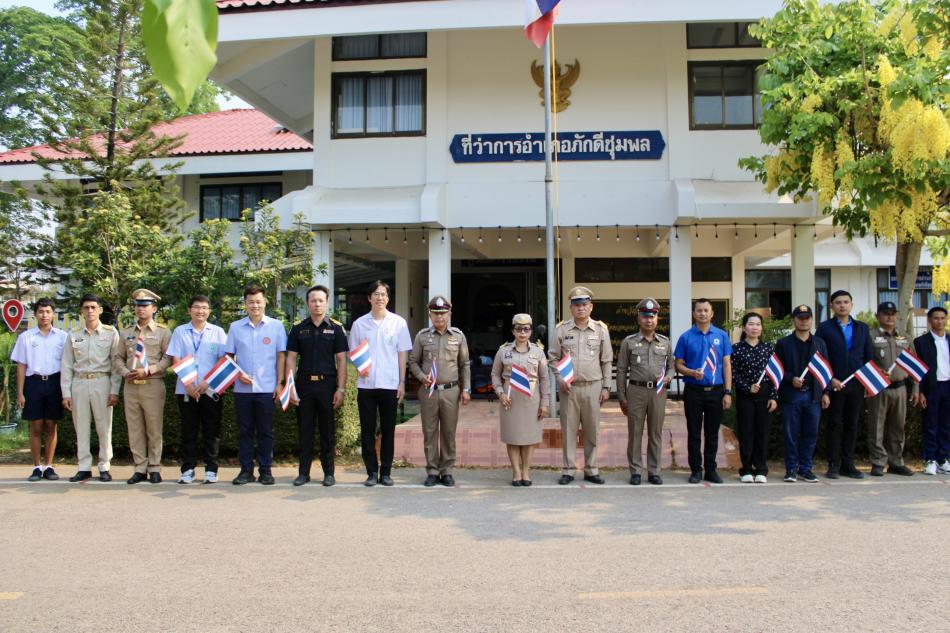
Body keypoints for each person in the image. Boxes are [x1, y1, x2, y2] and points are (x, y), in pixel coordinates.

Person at [348, 280, 412, 487]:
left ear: (388, 298)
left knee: (388, 429)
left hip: (390, 384)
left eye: (383, 294)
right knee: (367, 430)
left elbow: (402, 354)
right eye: (376, 294)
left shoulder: (398, 323)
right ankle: (371, 472)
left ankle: (386, 472)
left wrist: (402, 382)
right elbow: (354, 353)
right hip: (366, 385)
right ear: (369, 298)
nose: (379, 297)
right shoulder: (359, 324)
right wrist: (360, 367)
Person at [285, 285, 348, 487]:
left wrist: (341, 388)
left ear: (327, 302)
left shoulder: (336, 328)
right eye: (313, 300)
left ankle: (329, 473)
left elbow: (341, 360)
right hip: (304, 385)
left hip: (327, 386)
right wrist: (290, 386)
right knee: (305, 430)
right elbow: (291, 359)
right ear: (307, 303)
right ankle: (303, 473)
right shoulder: (298, 328)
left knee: (327, 432)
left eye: (321, 300)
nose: (317, 304)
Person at [549, 286, 612, 485]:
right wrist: (560, 379)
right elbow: (552, 358)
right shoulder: (562, 330)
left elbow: (607, 360)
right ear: (571, 308)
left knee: (592, 429)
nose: (581, 308)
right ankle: (568, 469)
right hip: (570, 388)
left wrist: (606, 387)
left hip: (593, 386)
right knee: (569, 430)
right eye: (577, 305)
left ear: (591, 307)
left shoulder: (601, 330)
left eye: (584, 304)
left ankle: (591, 469)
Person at [225, 285, 287, 486]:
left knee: (266, 431)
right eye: (250, 302)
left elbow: (281, 356)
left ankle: (266, 470)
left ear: (265, 302)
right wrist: (237, 373)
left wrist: (280, 383)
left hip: (267, 388)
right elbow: (228, 357)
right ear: (245, 304)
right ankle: (245, 470)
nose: (255, 305)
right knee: (245, 431)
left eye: (258, 301)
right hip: (242, 390)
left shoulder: (276, 326)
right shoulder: (235, 327)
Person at [408, 296, 471, 487]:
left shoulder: (458, 336)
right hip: (429, 391)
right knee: (430, 431)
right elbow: (412, 361)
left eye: (443, 313)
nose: (439, 317)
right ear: (430, 314)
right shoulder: (422, 336)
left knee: (449, 432)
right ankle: (432, 470)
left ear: (449, 314)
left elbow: (464, 364)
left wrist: (466, 388)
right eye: (436, 313)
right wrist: (421, 377)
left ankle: (447, 470)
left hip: (451, 390)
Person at [60, 294, 122, 482]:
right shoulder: (73, 335)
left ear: (100, 310)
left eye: (93, 307)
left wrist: (114, 390)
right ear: (81, 310)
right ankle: (84, 466)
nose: (90, 311)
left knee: (104, 426)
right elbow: (67, 365)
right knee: (81, 426)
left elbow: (116, 365)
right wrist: (66, 393)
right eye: (86, 307)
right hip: (79, 383)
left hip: (101, 382)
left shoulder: (111, 333)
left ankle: (104, 465)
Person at [167, 295, 228, 484]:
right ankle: (188, 469)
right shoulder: (179, 331)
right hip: (186, 390)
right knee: (188, 430)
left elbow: (223, 359)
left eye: (204, 308)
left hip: (210, 390)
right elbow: (175, 359)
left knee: (212, 431)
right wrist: (188, 384)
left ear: (209, 311)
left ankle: (211, 469)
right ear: (189, 310)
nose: (200, 311)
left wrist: (207, 382)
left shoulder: (217, 332)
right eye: (196, 307)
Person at [114, 289, 172, 484]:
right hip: (131, 386)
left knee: (154, 428)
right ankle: (140, 467)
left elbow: (168, 359)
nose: (141, 309)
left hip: (152, 384)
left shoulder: (163, 332)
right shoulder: (127, 332)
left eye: (145, 305)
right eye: (138, 306)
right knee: (135, 428)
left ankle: (154, 467)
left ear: (154, 308)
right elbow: (118, 358)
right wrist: (125, 373)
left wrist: (149, 370)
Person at [674, 298, 733, 484]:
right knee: (694, 432)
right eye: (699, 310)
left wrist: (728, 392)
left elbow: (726, 364)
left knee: (712, 433)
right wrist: (691, 372)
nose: (702, 313)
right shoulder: (686, 337)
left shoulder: (722, 336)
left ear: (712, 313)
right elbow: (678, 364)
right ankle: (696, 470)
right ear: (694, 313)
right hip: (693, 391)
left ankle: (711, 469)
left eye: (706, 310)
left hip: (716, 391)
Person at [815, 290, 873, 479]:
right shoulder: (824, 328)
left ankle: (848, 464)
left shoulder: (862, 328)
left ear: (851, 304)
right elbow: (820, 357)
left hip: (856, 384)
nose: (842, 305)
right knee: (834, 423)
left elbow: (868, 357)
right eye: (838, 302)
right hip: (834, 384)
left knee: (852, 424)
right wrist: (830, 379)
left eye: (846, 302)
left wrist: (867, 382)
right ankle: (833, 464)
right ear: (832, 306)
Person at [616, 298, 673, 486]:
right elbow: (622, 370)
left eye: (653, 316)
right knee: (635, 433)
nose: (649, 320)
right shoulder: (629, 342)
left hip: (657, 392)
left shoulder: (665, 343)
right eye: (645, 316)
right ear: (639, 319)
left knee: (655, 432)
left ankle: (654, 471)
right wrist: (622, 396)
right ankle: (635, 471)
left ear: (657, 319)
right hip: (636, 391)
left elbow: (672, 367)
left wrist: (668, 377)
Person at [11, 298, 68, 481]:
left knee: (51, 425)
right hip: (33, 383)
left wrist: (67, 391)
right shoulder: (26, 337)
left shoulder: (62, 337)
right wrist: (20, 393)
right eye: (41, 312)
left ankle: (49, 466)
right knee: (35, 426)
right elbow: (21, 366)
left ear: (53, 314)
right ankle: (36, 467)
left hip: (55, 383)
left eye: (48, 312)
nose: (45, 315)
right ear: (35, 314)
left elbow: (68, 365)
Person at [491, 314, 550, 486]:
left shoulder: (538, 352)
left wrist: (545, 403)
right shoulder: (504, 351)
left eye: (526, 329)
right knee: (513, 436)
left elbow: (544, 378)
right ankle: (516, 472)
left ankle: (526, 472)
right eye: (518, 329)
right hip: (510, 398)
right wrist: (500, 393)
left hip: (531, 398)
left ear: (531, 331)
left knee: (529, 437)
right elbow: (495, 374)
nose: (522, 333)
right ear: (513, 331)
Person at [774, 305, 830, 483]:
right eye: (800, 318)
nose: (803, 321)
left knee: (810, 433)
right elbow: (778, 370)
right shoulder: (783, 343)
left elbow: (826, 370)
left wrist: (826, 392)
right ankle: (791, 469)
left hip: (813, 396)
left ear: (811, 320)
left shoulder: (820, 343)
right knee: (791, 434)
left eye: (807, 318)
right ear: (794, 320)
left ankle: (806, 468)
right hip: (792, 395)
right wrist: (791, 379)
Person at [867, 301, 916, 476]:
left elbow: (914, 365)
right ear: (877, 316)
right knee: (876, 427)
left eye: (893, 313)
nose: (890, 316)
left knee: (898, 427)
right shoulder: (870, 336)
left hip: (901, 388)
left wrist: (916, 389)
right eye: (886, 313)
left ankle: (896, 462)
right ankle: (878, 462)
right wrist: (876, 373)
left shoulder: (905, 337)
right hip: (879, 387)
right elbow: (865, 361)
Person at [730, 313, 777, 483]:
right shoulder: (736, 349)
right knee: (746, 431)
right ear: (744, 327)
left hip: (764, 395)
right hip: (745, 395)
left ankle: (761, 469)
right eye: (751, 324)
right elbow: (732, 374)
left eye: (758, 324)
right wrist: (746, 387)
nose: (754, 327)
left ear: (761, 328)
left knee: (762, 433)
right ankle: (746, 469)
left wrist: (773, 396)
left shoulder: (768, 348)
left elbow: (774, 375)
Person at [913, 306, 950, 476]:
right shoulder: (921, 342)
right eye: (936, 318)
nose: (940, 321)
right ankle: (930, 459)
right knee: (930, 424)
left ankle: (943, 458)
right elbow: (918, 370)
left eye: (943, 318)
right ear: (929, 320)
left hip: (948, 386)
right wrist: (920, 390)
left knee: (946, 424)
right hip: (931, 388)